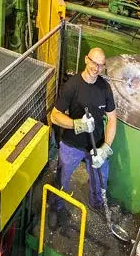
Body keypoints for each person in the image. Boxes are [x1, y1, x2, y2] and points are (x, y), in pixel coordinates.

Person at [49, 47, 117, 229]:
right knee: (62, 177)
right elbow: (55, 116)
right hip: (72, 145)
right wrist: (77, 124)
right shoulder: (72, 86)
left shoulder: (105, 87)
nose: (97, 68)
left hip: (96, 146)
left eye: (101, 65)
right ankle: (55, 206)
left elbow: (112, 118)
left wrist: (106, 147)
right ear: (86, 60)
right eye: (94, 63)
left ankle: (97, 203)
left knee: (100, 178)